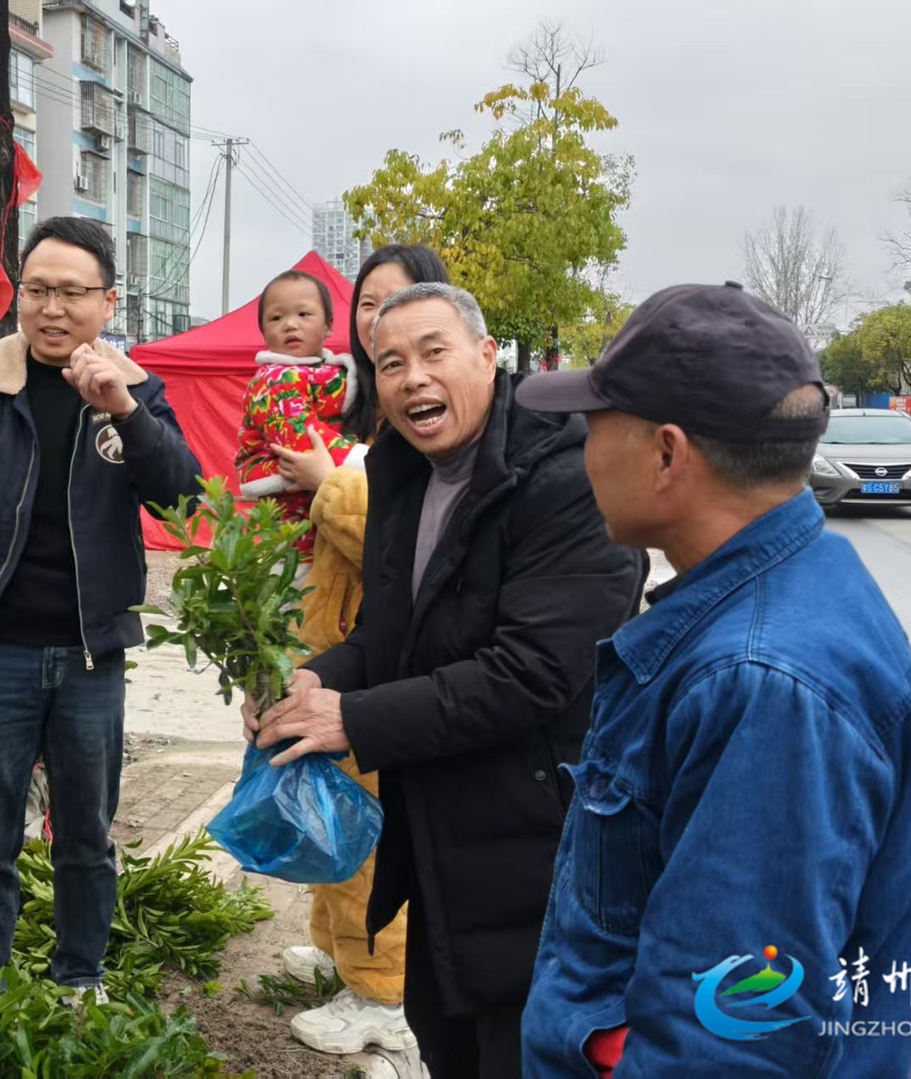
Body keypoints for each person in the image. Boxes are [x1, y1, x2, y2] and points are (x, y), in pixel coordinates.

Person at [516, 282, 911, 1077]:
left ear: (667, 454)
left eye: (594, 424)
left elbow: (726, 1042)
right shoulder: (800, 580)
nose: (581, 448)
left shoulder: (760, 681)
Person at [248, 281, 645, 1077]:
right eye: (390, 362)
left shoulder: (566, 478)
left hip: (538, 846)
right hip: (437, 841)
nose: (412, 378)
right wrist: (311, 680)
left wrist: (352, 719)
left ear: (487, 356)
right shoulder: (403, 472)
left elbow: (530, 673)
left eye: (434, 352)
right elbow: (391, 635)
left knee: (523, 1049)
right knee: (444, 1036)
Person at [0, 218, 201, 1019]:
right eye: (37, 290)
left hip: (92, 656)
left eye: (71, 292)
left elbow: (179, 495)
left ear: (107, 302)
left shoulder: (136, 392)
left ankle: (79, 982)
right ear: (17, 296)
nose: (52, 308)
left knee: (87, 837)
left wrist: (124, 410)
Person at [263, 245, 451, 1062]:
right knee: (328, 830)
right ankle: (341, 954)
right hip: (330, 646)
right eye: (367, 304)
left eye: (396, 302)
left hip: (383, 668)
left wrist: (324, 479)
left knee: (367, 843)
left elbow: (402, 539)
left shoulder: (420, 421)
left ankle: (382, 997)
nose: (375, 319)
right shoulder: (352, 409)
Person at [234, 270, 362, 561]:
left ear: (329, 325)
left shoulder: (337, 373)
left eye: (304, 314)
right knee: (295, 585)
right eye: (276, 318)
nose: (290, 324)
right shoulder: (273, 380)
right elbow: (304, 435)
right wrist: (366, 461)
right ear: (263, 332)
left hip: (334, 507)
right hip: (291, 520)